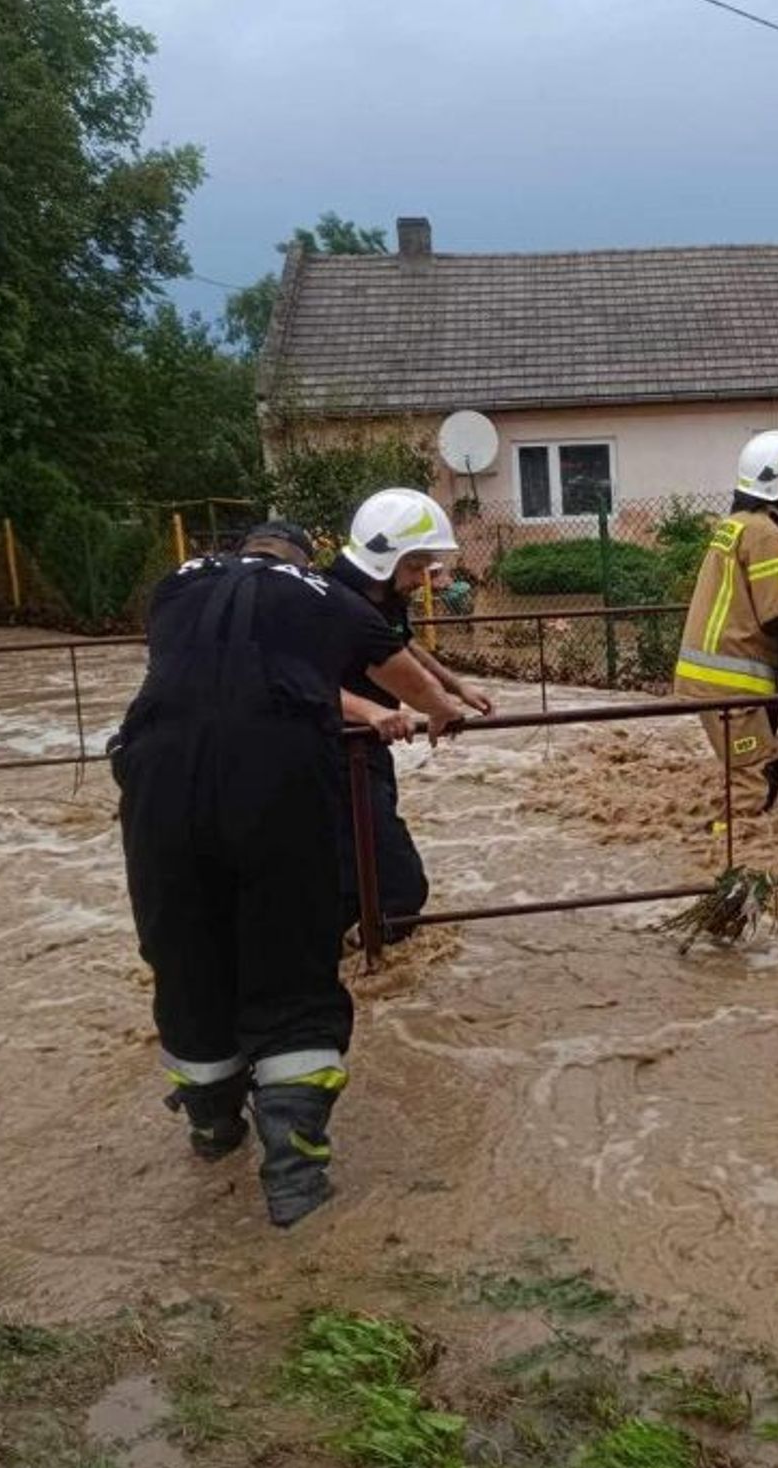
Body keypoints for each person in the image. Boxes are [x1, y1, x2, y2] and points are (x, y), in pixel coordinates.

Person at [112, 522, 464, 1227]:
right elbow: (396, 668)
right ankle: (295, 1174)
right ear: (304, 560)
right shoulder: (321, 595)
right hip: (277, 778)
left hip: (157, 777)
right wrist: (442, 710)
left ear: (241, 550)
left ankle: (213, 1125)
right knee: (291, 953)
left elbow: (208, 667)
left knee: (186, 947)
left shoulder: (176, 586)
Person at [328, 489, 495, 939]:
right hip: (334, 751)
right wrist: (439, 706)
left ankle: (356, 951)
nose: (422, 579)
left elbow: (401, 645)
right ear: (383, 557)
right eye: (416, 566)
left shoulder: (381, 597)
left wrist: (456, 686)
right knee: (399, 885)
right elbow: (405, 680)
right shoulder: (339, 605)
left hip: (368, 743)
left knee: (356, 868)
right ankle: (373, 955)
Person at [674, 431, 778, 824]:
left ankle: (732, 846)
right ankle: (730, 854)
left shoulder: (738, 525)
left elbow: (748, 590)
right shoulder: (765, 534)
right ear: (771, 483)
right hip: (731, 681)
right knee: (755, 782)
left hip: (714, 677)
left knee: (755, 774)